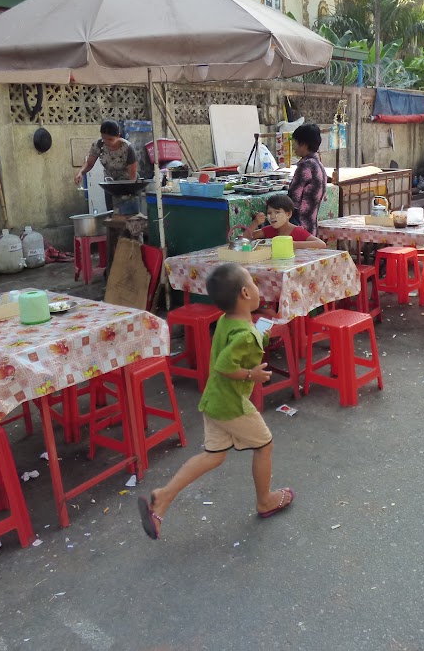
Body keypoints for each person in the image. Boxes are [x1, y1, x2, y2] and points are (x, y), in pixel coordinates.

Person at [137, 263, 294, 540]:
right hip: (231, 404)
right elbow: (224, 364)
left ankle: (162, 497)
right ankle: (265, 501)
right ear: (246, 293)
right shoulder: (245, 334)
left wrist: (264, 333)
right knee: (265, 446)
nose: (258, 289)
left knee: (214, 455)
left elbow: (241, 341)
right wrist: (251, 374)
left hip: (214, 400)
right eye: (255, 284)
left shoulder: (228, 320)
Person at [73, 120, 139, 211]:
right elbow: (89, 163)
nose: (106, 142)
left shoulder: (127, 148)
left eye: (110, 139)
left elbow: (133, 174)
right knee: (112, 211)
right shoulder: (98, 145)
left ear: (118, 136)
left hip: (127, 183)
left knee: (127, 211)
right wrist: (80, 172)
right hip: (110, 183)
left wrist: (130, 191)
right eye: (104, 138)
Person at [286, 123, 327, 235]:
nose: (294, 147)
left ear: (303, 144)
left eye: (295, 143)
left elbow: (292, 200)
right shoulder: (318, 164)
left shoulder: (305, 166)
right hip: (311, 228)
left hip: (299, 228)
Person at [244, 194, 326, 247]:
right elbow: (245, 238)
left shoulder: (297, 231)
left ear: (288, 214)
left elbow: (321, 244)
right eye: (269, 213)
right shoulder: (269, 230)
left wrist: (293, 244)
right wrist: (255, 222)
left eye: (277, 212)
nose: (272, 216)